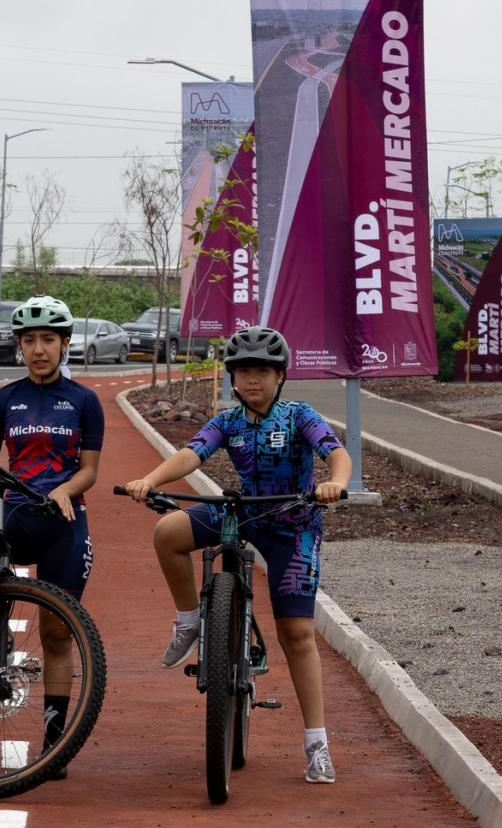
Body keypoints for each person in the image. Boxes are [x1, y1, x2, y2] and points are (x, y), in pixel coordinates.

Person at [122, 326, 352, 785]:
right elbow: (192, 454)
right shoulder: (228, 422)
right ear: (232, 377)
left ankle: (317, 745)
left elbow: (336, 454)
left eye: (262, 372)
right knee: (168, 530)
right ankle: (189, 620)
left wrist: (337, 483)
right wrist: (152, 479)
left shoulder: (299, 416)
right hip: (245, 513)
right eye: (244, 371)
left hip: (294, 526)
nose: (252, 380)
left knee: (298, 634)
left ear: (280, 376)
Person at [0, 295, 104, 780]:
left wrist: (67, 490)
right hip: (12, 512)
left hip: (63, 523)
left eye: (48, 340)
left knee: (56, 632)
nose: (38, 349)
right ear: (20, 346)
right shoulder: (4, 399)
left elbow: (89, 470)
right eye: (29, 341)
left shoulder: (84, 401)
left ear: (65, 343)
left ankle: (55, 741)